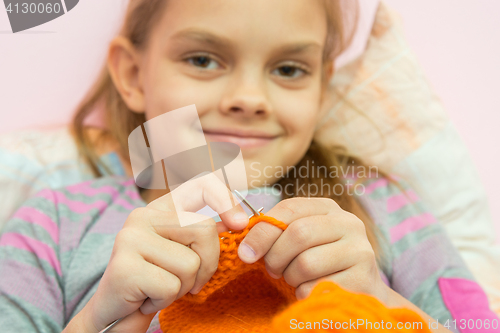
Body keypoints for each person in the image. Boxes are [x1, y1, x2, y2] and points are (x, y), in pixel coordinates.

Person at [0, 0, 498, 332]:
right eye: (202, 59)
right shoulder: (58, 217)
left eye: (288, 69)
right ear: (133, 74)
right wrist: (99, 316)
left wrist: (381, 303)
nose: (248, 98)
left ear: (322, 86)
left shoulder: (377, 200)